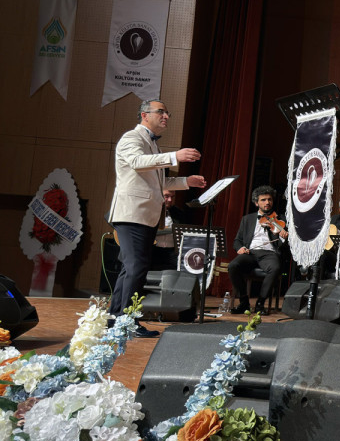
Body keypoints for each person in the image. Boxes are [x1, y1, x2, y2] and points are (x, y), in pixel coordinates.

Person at [108, 99, 205, 338]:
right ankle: (127, 322)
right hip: (131, 213)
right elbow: (136, 162)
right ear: (144, 115)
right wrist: (175, 156)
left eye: (167, 113)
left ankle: (115, 319)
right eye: (161, 112)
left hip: (146, 216)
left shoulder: (154, 146)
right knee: (136, 267)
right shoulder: (131, 138)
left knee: (130, 268)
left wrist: (186, 181)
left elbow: (161, 182)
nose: (166, 116)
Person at [228, 186, 288, 314]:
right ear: (256, 203)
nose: (267, 202)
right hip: (250, 252)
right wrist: (240, 248)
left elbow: (283, 245)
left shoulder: (280, 219)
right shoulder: (247, 219)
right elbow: (237, 240)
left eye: (269, 199)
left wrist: (283, 238)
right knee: (233, 266)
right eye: (263, 200)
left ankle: (260, 303)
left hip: (269, 253)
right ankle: (244, 302)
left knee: (275, 268)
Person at [151, 189, 187, 271]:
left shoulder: (179, 213)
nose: (170, 200)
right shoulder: (150, 211)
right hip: (153, 251)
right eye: (166, 196)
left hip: (172, 253)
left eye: (172, 197)